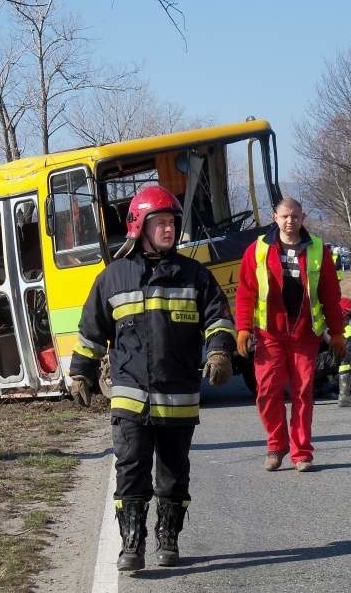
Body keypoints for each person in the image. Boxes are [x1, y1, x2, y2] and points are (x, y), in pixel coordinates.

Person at [68, 185, 236, 572]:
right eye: (159, 222)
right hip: (129, 397)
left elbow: (218, 318)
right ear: (138, 227)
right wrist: (82, 373)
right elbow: (91, 330)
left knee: (174, 474)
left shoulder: (196, 275)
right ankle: (131, 544)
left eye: (172, 223)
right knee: (130, 469)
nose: (168, 230)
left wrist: (219, 350)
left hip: (178, 396)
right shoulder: (112, 278)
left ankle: (168, 538)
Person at [235, 197, 345, 473]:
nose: (290, 221)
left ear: (303, 217)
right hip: (270, 333)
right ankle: (276, 445)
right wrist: (243, 329)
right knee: (267, 392)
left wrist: (338, 333)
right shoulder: (257, 250)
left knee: (303, 393)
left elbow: (331, 296)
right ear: (275, 217)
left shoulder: (319, 249)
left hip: (305, 334)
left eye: (295, 216)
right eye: (285, 216)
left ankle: (301, 453)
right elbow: (245, 292)